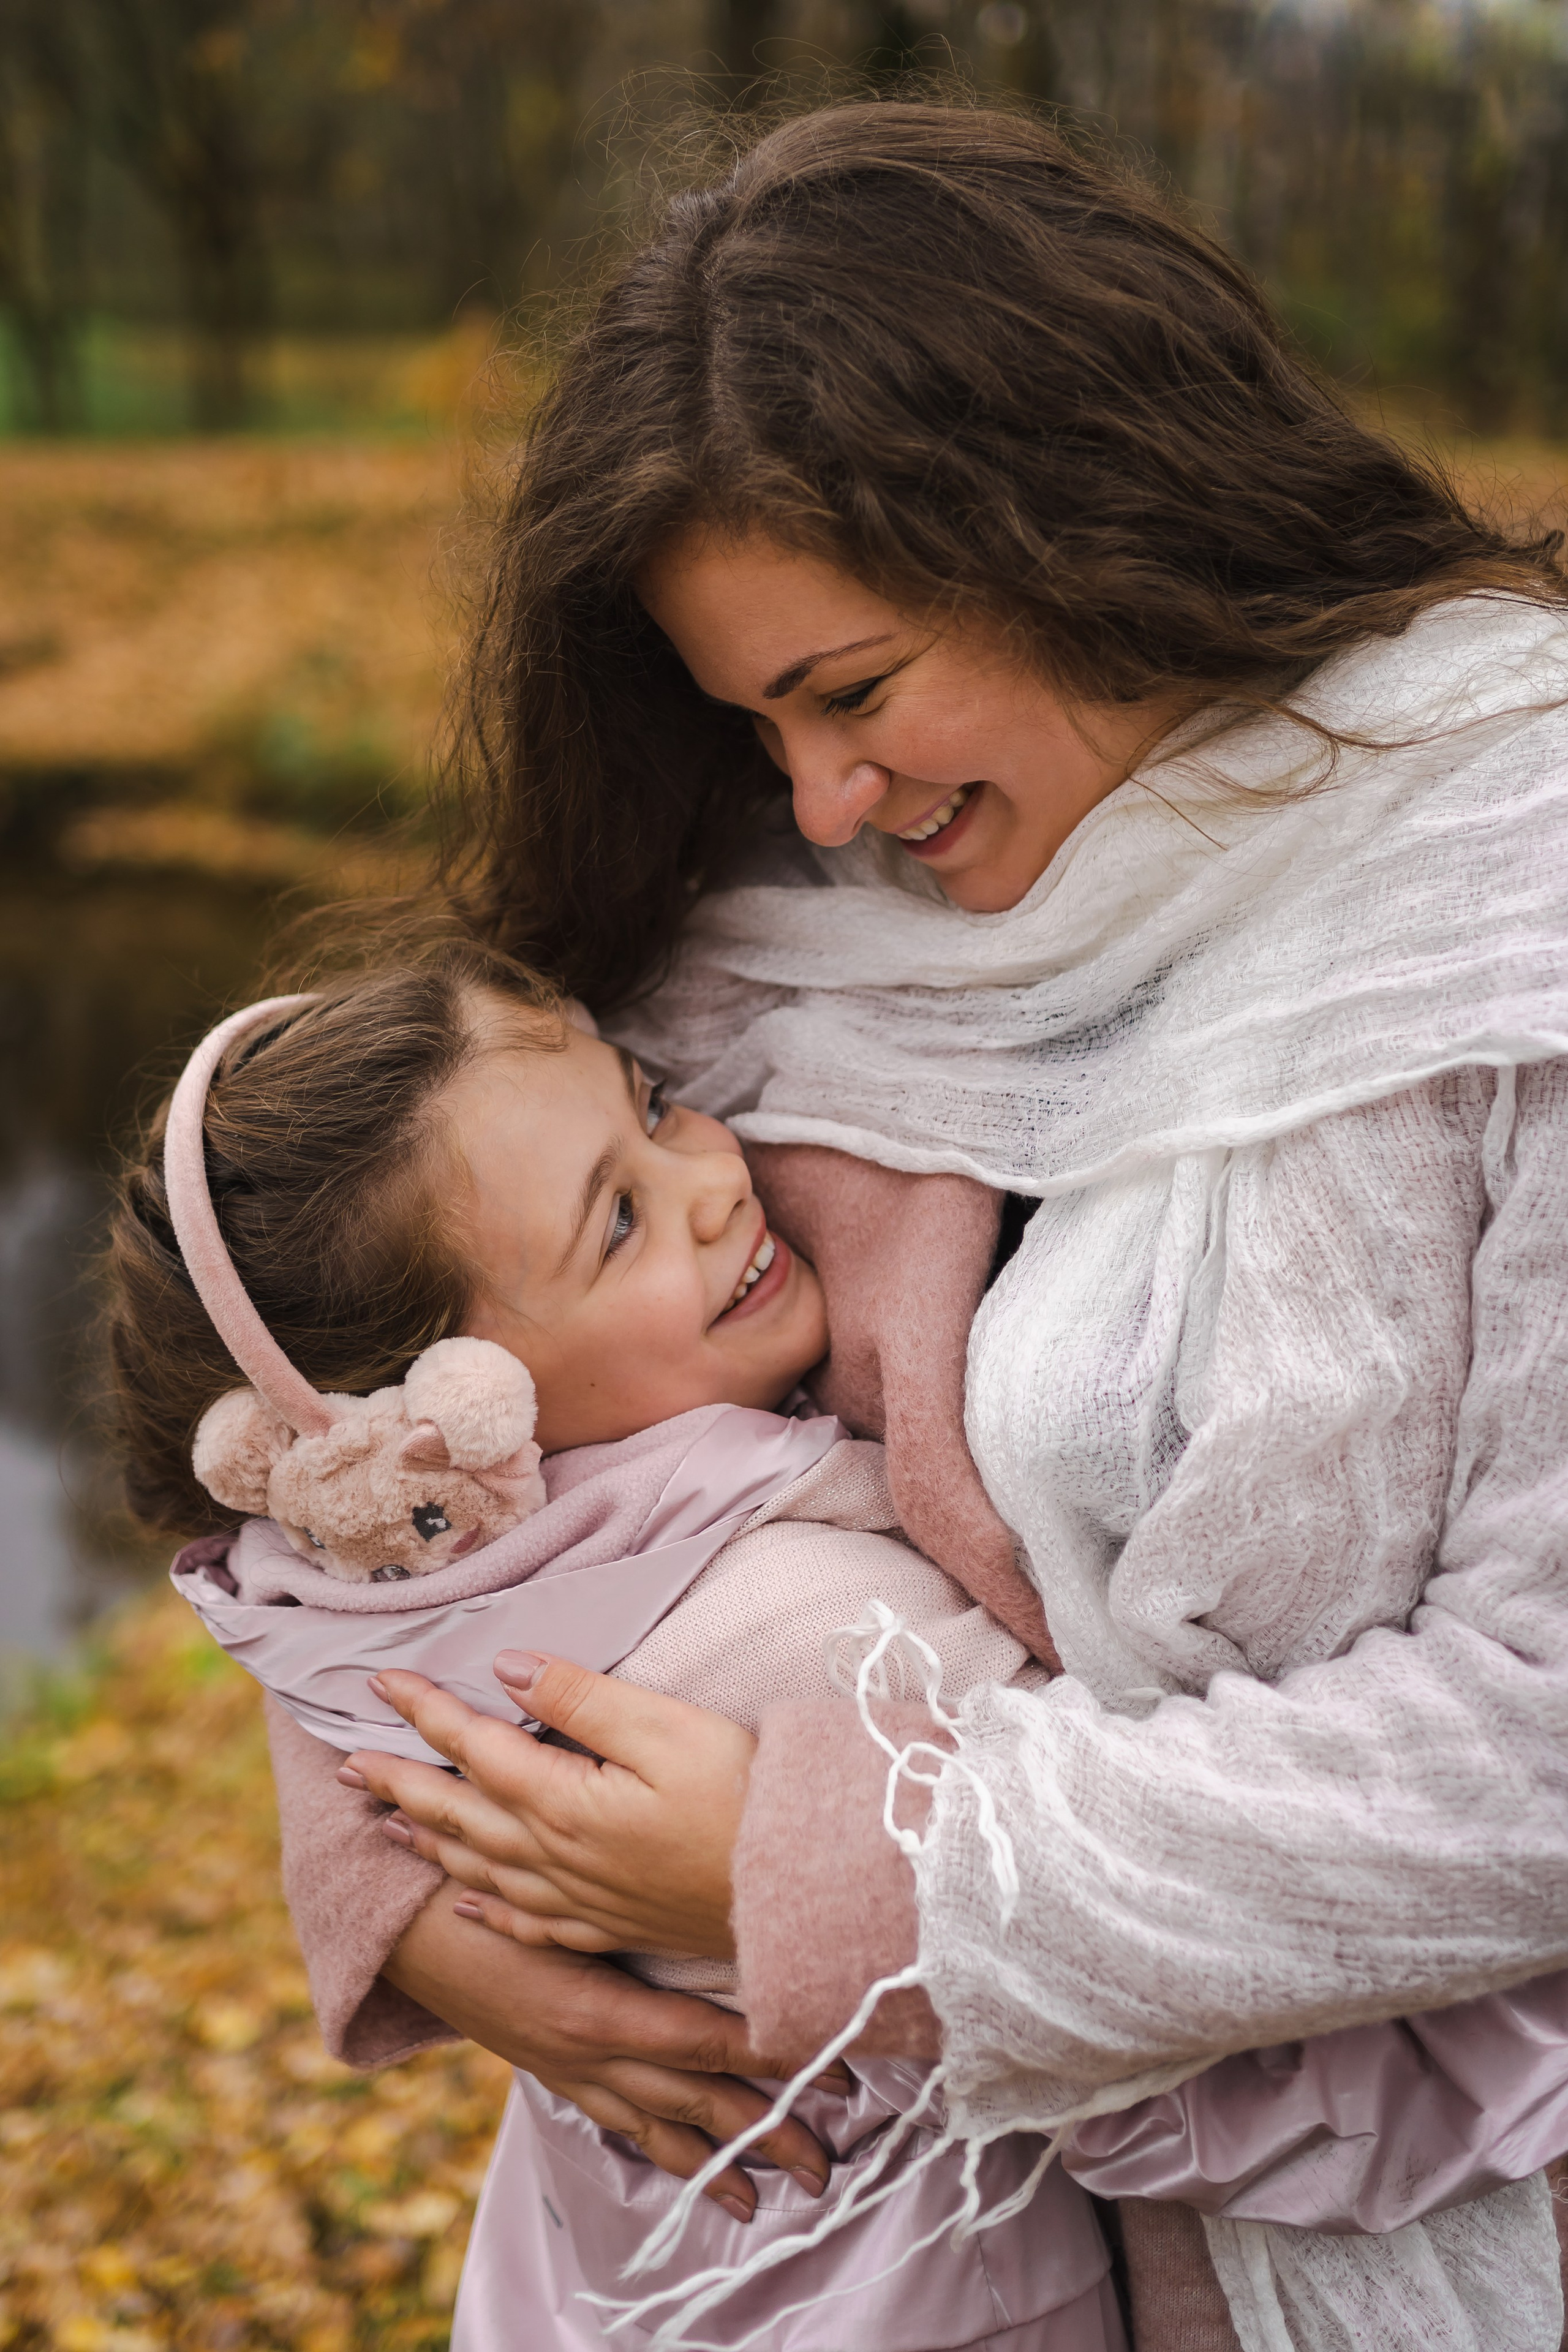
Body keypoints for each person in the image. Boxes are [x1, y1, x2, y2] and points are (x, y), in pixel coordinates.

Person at [278, 101, 1568, 2351]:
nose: (823, 795)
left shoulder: (1506, 895)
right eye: (754, 724)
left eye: (853, 690)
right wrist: (423, 1894)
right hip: (902, 2252)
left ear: (1095, 519)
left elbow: (1533, 1739)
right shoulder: (792, 930)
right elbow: (388, 1419)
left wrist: (823, 1874)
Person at [111, 943, 1123, 2352]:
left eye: (650, 1102)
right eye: (619, 1223)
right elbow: (1131, 1867)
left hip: (593, 2274)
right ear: (445, 1418)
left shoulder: (369, 1595)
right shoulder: (808, 1622)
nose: (713, 1179)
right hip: (930, 2293)